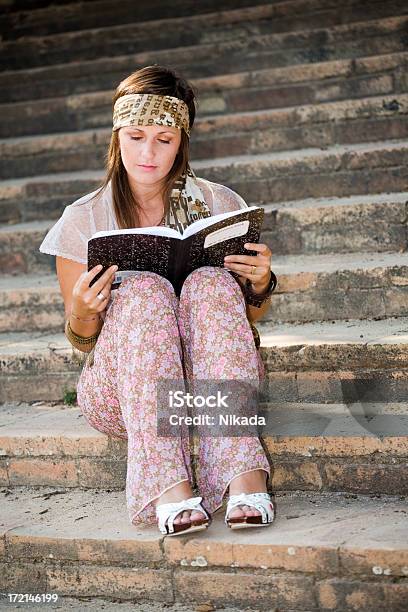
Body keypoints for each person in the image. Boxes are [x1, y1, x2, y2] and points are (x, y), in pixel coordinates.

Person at [39, 65, 278, 536]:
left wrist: (260, 283)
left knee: (211, 283)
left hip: (212, 380)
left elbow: (248, 317)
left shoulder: (221, 202)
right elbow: (83, 343)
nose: (148, 152)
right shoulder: (82, 218)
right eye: (135, 136)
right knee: (144, 291)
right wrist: (86, 311)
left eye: (164, 139)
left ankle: (243, 474)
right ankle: (168, 486)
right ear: (116, 136)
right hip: (122, 393)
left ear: (182, 142)